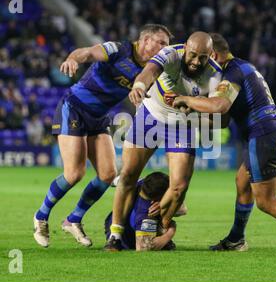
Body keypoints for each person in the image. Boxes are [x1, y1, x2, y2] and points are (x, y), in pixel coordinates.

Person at [173, 33, 276, 256]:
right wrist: (190, 113)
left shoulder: (232, 72)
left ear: (214, 55)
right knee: (242, 182)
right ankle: (236, 239)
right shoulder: (242, 68)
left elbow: (219, 105)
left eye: (204, 59)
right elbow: (224, 120)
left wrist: (187, 99)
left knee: (266, 202)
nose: (202, 66)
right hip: (272, 133)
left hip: (264, 137)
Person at [33, 24, 172, 248]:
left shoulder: (152, 69)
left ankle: (73, 219)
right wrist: (73, 58)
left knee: (108, 175)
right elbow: (87, 52)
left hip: (99, 117)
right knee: (74, 173)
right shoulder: (118, 49)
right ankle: (41, 216)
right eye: (162, 43)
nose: (165, 49)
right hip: (75, 107)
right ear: (146, 40)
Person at [104, 31, 223, 251]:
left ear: (211, 55)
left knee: (178, 188)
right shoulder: (170, 54)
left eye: (203, 57)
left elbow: (216, 110)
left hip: (183, 126)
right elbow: (149, 71)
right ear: (185, 46)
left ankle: (162, 226)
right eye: (193, 54)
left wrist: (194, 107)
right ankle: (115, 235)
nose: (197, 62)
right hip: (150, 116)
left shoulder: (215, 74)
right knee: (129, 175)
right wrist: (139, 86)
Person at [105, 172, 187, 251]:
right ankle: (162, 238)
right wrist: (170, 232)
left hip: (114, 221)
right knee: (168, 222)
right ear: (158, 198)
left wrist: (163, 205)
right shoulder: (148, 212)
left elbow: (182, 209)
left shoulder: (141, 183)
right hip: (126, 239)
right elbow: (144, 247)